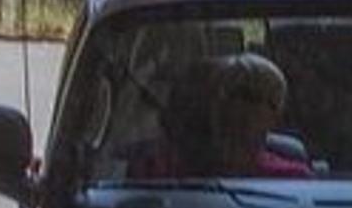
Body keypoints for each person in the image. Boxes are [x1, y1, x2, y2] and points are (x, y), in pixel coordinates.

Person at [127, 52, 312, 179]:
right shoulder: (157, 168)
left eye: (249, 96)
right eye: (226, 93)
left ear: (275, 115)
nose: (236, 105)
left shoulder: (291, 179)